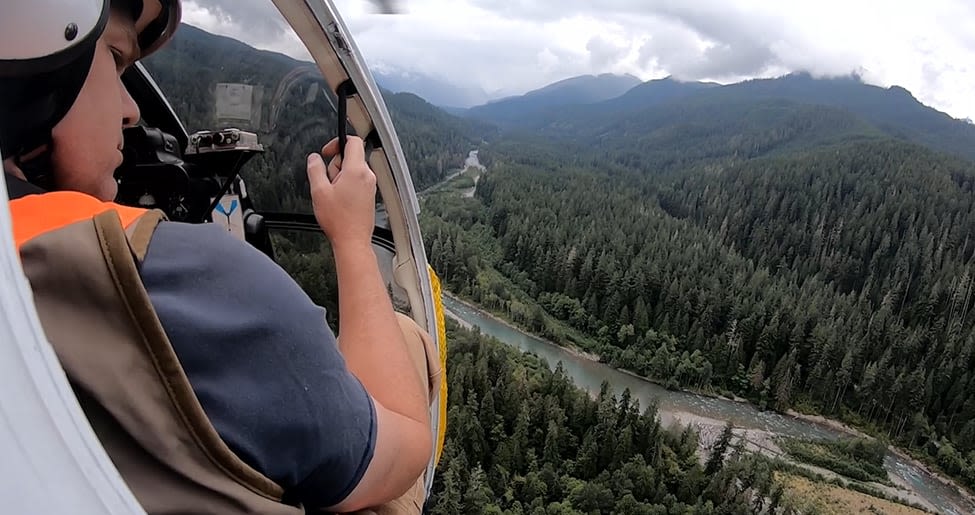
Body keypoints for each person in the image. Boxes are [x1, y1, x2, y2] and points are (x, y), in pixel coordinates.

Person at [0, 1, 440, 514]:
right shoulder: (200, 286)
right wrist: (351, 238)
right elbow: (409, 445)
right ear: (41, 66)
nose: (130, 109)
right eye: (116, 59)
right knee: (410, 344)